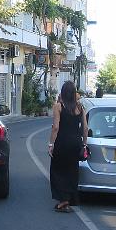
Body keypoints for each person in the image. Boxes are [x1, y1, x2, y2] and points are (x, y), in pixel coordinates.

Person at [48, 81, 88, 213]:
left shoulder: (59, 106)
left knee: (58, 171)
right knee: (72, 171)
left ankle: (63, 200)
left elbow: (56, 127)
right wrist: (84, 144)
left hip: (62, 143)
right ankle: (68, 200)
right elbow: (85, 128)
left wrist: (51, 144)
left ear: (63, 93)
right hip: (75, 143)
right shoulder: (80, 107)